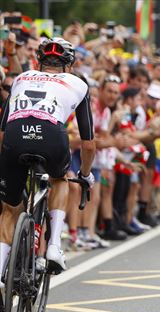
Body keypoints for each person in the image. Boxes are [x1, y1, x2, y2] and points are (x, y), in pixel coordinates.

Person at [0, 37, 96, 282]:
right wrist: (85, 174)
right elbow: (87, 143)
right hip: (51, 136)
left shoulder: (21, 78)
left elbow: (1, 133)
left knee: (10, 210)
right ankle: (53, 246)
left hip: (15, 135)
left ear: (39, 62)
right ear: (69, 65)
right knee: (61, 179)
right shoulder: (78, 83)